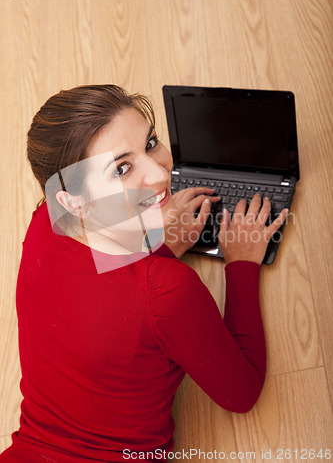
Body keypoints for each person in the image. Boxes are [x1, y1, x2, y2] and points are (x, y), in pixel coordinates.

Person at [0, 85, 288, 462]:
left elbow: (101, 305)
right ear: (73, 200)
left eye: (151, 142)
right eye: (122, 168)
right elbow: (242, 393)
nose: (160, 172)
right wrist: (242, 262)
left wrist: (161, 242)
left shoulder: (44, 223)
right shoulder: (168, 290)